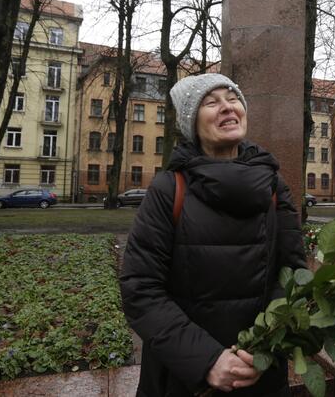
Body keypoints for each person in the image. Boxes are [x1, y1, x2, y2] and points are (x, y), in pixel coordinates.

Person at [120, 73, 306, 397]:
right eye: (211, 102)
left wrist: (265, 348)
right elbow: (141, 289)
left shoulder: (274, 187)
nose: (226, 107)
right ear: (193, 123)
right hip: (184, 381)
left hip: (260, 377)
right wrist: (207, 361)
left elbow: (292, 276)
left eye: (233, 99)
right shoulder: (169, 189)